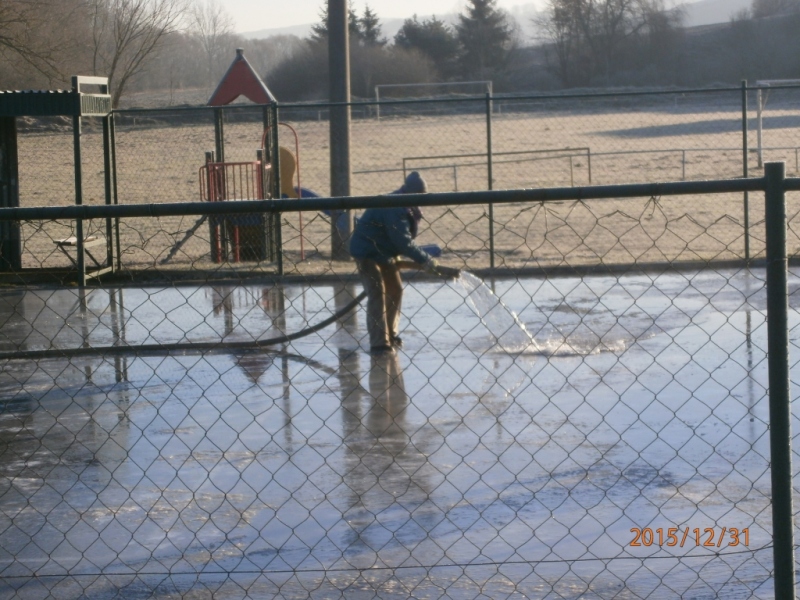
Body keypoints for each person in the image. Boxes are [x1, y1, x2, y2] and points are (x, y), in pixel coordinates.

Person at [349, 171, 460, 355]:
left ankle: (391, 334)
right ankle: (379, 343)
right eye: (418, 195)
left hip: (384, 253)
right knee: (377, 291)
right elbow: (402, 241)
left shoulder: (408, 206)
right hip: (366, 252)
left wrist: (423, 261)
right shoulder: (395, 207)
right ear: (409, 192)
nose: (420, 199)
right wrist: (426, 260)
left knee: (395, 289)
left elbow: (401, 241)